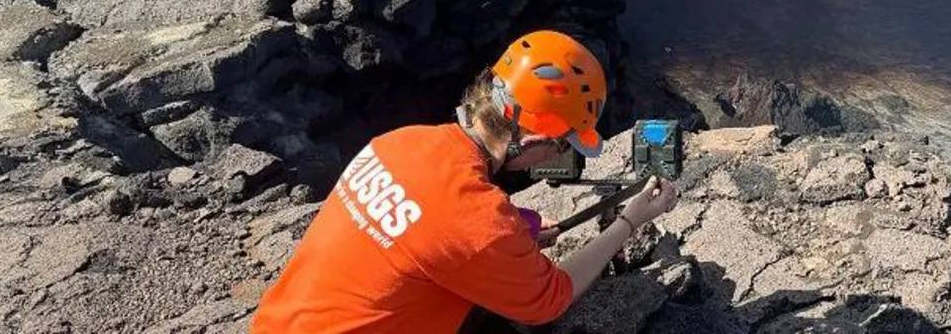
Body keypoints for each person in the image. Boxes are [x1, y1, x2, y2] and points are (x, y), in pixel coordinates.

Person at [252, 29, 678, 332]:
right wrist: (629, 221)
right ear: (532, 138)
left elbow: (429, 216)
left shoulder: (398, 142)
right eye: (563, 145)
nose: (560, 156)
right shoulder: (480, 227)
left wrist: (520, 227)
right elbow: (550, 300)